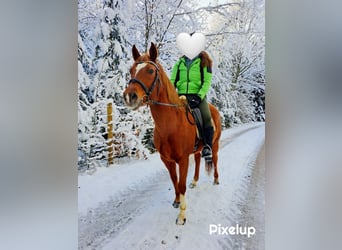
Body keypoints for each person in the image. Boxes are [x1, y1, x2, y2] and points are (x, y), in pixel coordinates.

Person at [170, 49, 214, 158]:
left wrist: (199, 97)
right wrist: (171, 95)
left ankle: (207, 146)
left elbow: (207, 82)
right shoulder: (179, 63)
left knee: (206, 117)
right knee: (167, 113)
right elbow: (172, 80)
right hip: (180, 96)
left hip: (197, 96)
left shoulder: (204, 62)